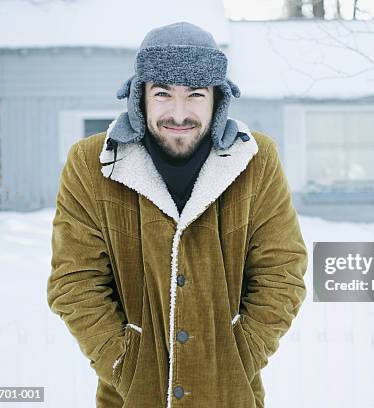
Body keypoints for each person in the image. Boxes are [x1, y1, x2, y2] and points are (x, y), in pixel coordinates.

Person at [46, 21, 308, 408]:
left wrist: (243, 352)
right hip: (130, 397)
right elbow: (74, 280)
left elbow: (282, 270)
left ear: (217, 99)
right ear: (141, 96)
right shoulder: (91, 165)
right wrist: (122, 361)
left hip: (231, 395)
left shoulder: (255, 160)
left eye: (196, 95)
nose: (179, 113)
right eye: (164, 93)